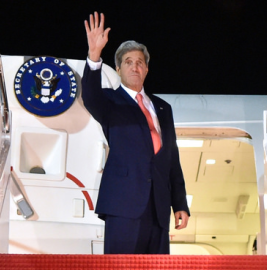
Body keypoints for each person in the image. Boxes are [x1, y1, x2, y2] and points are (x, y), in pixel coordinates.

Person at [82, 11, 190, 254]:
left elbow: (172, 160)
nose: (135, 66)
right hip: (123, 207)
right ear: (118, 69)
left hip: (159, 208)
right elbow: (89, 96)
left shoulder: (163, 108)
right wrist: (94, 55)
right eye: (128, 62)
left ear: (147, 70)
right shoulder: (110, 101)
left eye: (140, 62)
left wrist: (179, 204)